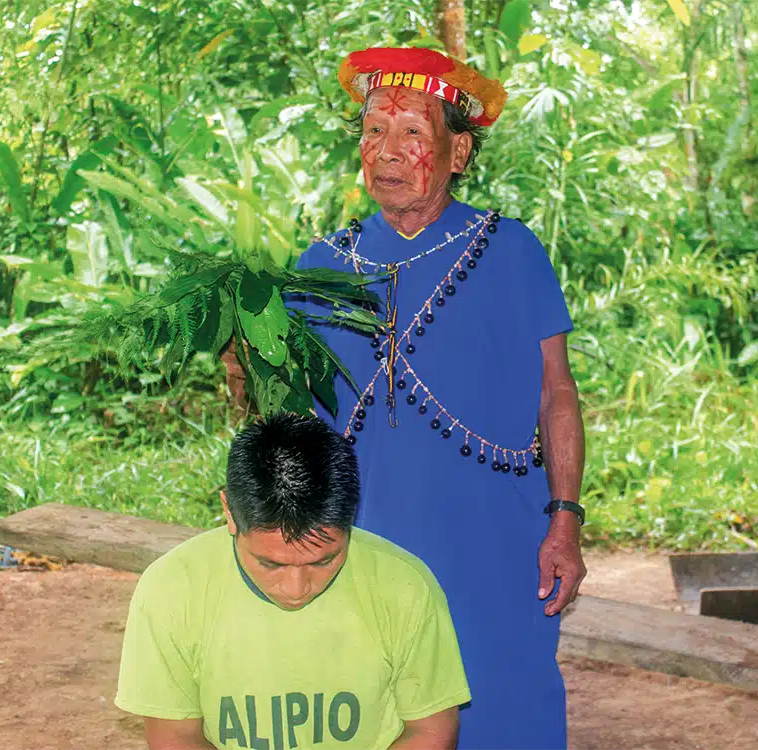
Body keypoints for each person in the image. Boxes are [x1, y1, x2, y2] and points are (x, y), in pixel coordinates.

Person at [228, 46, 586, 749]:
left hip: (494, 539)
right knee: (371, 706)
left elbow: (558, 395)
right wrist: (243, 364)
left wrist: (565, 520)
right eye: (372, 131)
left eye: (412, 134)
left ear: (459, 153)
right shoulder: (320, 265)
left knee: (500, 698)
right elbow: (285, 413)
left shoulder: (512, 251)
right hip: (364, 537)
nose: (385, 152)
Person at [115, 412, 470, 749]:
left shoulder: (404, 585)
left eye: (325, 560)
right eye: (270, 564)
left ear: (350, 519)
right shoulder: (171, 589)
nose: (297, 589)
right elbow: (174, 738)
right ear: (229, 514)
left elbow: (431, 730)